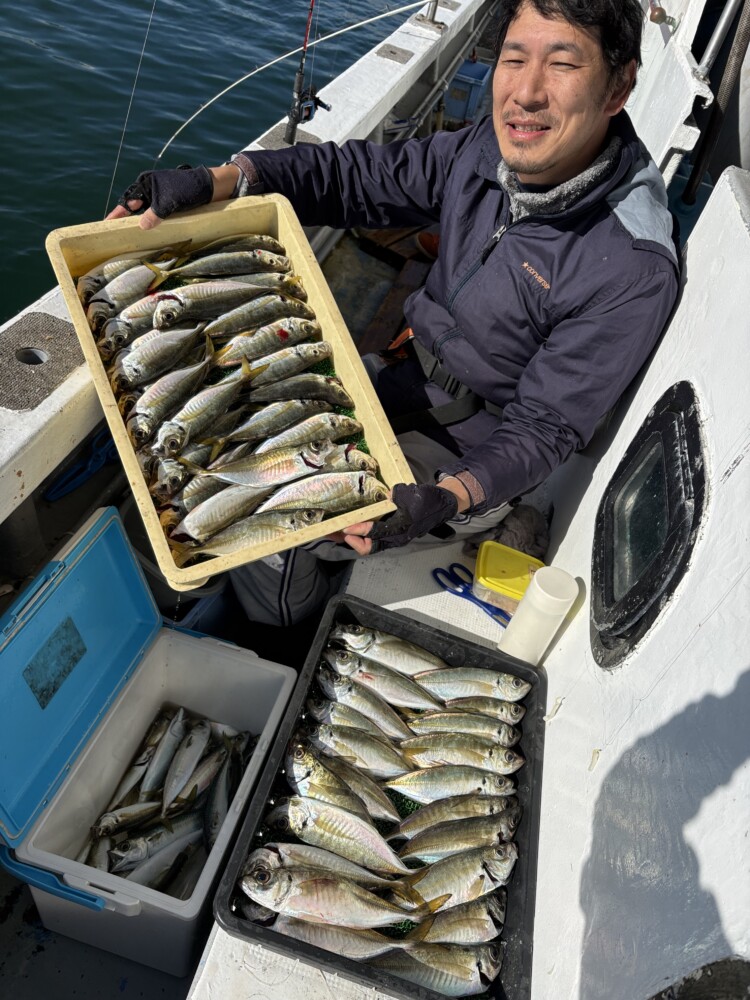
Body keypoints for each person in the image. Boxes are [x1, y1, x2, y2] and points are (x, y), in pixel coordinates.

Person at [108, 0, 680, 625]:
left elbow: (543, 426)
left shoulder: (632, 265)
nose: (527, 92)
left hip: (475, 448)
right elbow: (357, 177)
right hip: (401, 371)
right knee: (232, 421)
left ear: (619, 86)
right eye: (513, 59)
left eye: (563, 63)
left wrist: (447, 497)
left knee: (296, 524)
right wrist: (221, 180)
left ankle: (277, 629)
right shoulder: (488, 145)